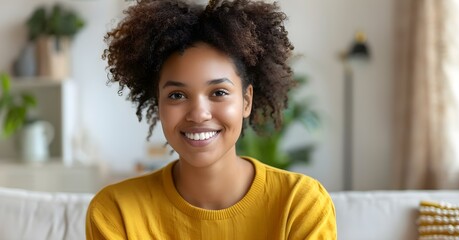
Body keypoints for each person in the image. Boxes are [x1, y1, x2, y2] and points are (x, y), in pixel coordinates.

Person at [86, 0, 337, 239]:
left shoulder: (300, 204)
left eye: (218, 92)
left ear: (246, 101)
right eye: (177, 95)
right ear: (158, 103)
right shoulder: (116, 212)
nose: (198, 113)